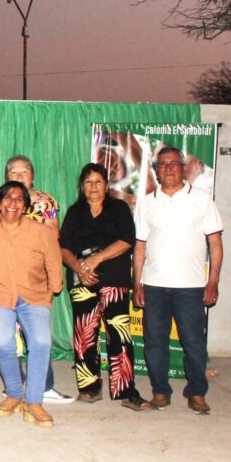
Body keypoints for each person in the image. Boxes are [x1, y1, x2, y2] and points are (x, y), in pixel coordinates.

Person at [133, 146, 223, 415]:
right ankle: (161, 391)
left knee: (194, 343)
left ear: (183, 168)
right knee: (155, 342)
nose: (168, 168)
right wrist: (137, 283)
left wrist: (213, 280)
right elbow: (140, 246)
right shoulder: (147, 202)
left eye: (174, 163)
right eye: (163, 164)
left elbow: (215, 243)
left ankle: (196, 393)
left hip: (191, 286)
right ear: (156, 171)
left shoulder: (202, 199)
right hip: (154, 285)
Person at [60, 163, 150, 411]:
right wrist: (79, 268)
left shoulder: (118, 209)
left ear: (107, 185)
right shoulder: (74, 212)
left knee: (119, 336)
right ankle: (89, 388)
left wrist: (96, 259)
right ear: (82, 186)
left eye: (98, 181)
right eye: (88, 182)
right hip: (82, 281)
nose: (93, 186)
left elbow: (126, 241)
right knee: (84, 335)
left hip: (114, 280)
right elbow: (64, 247)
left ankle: (126, 391)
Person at [0, 181, 63, 428]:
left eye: (19, 199)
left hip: (34, 295)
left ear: (26, 206)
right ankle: (15, 395)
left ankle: (34, 401)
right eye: (7, 198)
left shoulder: (42, 232)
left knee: (41, 342)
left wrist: (52, 291)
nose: (12, 203)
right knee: (2, 343)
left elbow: (53, 261)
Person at [3, 154, 71, 403]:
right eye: (13, 172)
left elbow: (54, 238)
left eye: (24, 172)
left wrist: (51, 274)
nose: (19, 176)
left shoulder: (46, 202)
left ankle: (44, 386)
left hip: (36, 277)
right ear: (6, 177)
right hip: (7, 276)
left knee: (37, 332)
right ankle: (15, 385)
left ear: (32, 176)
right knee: (11, 333)